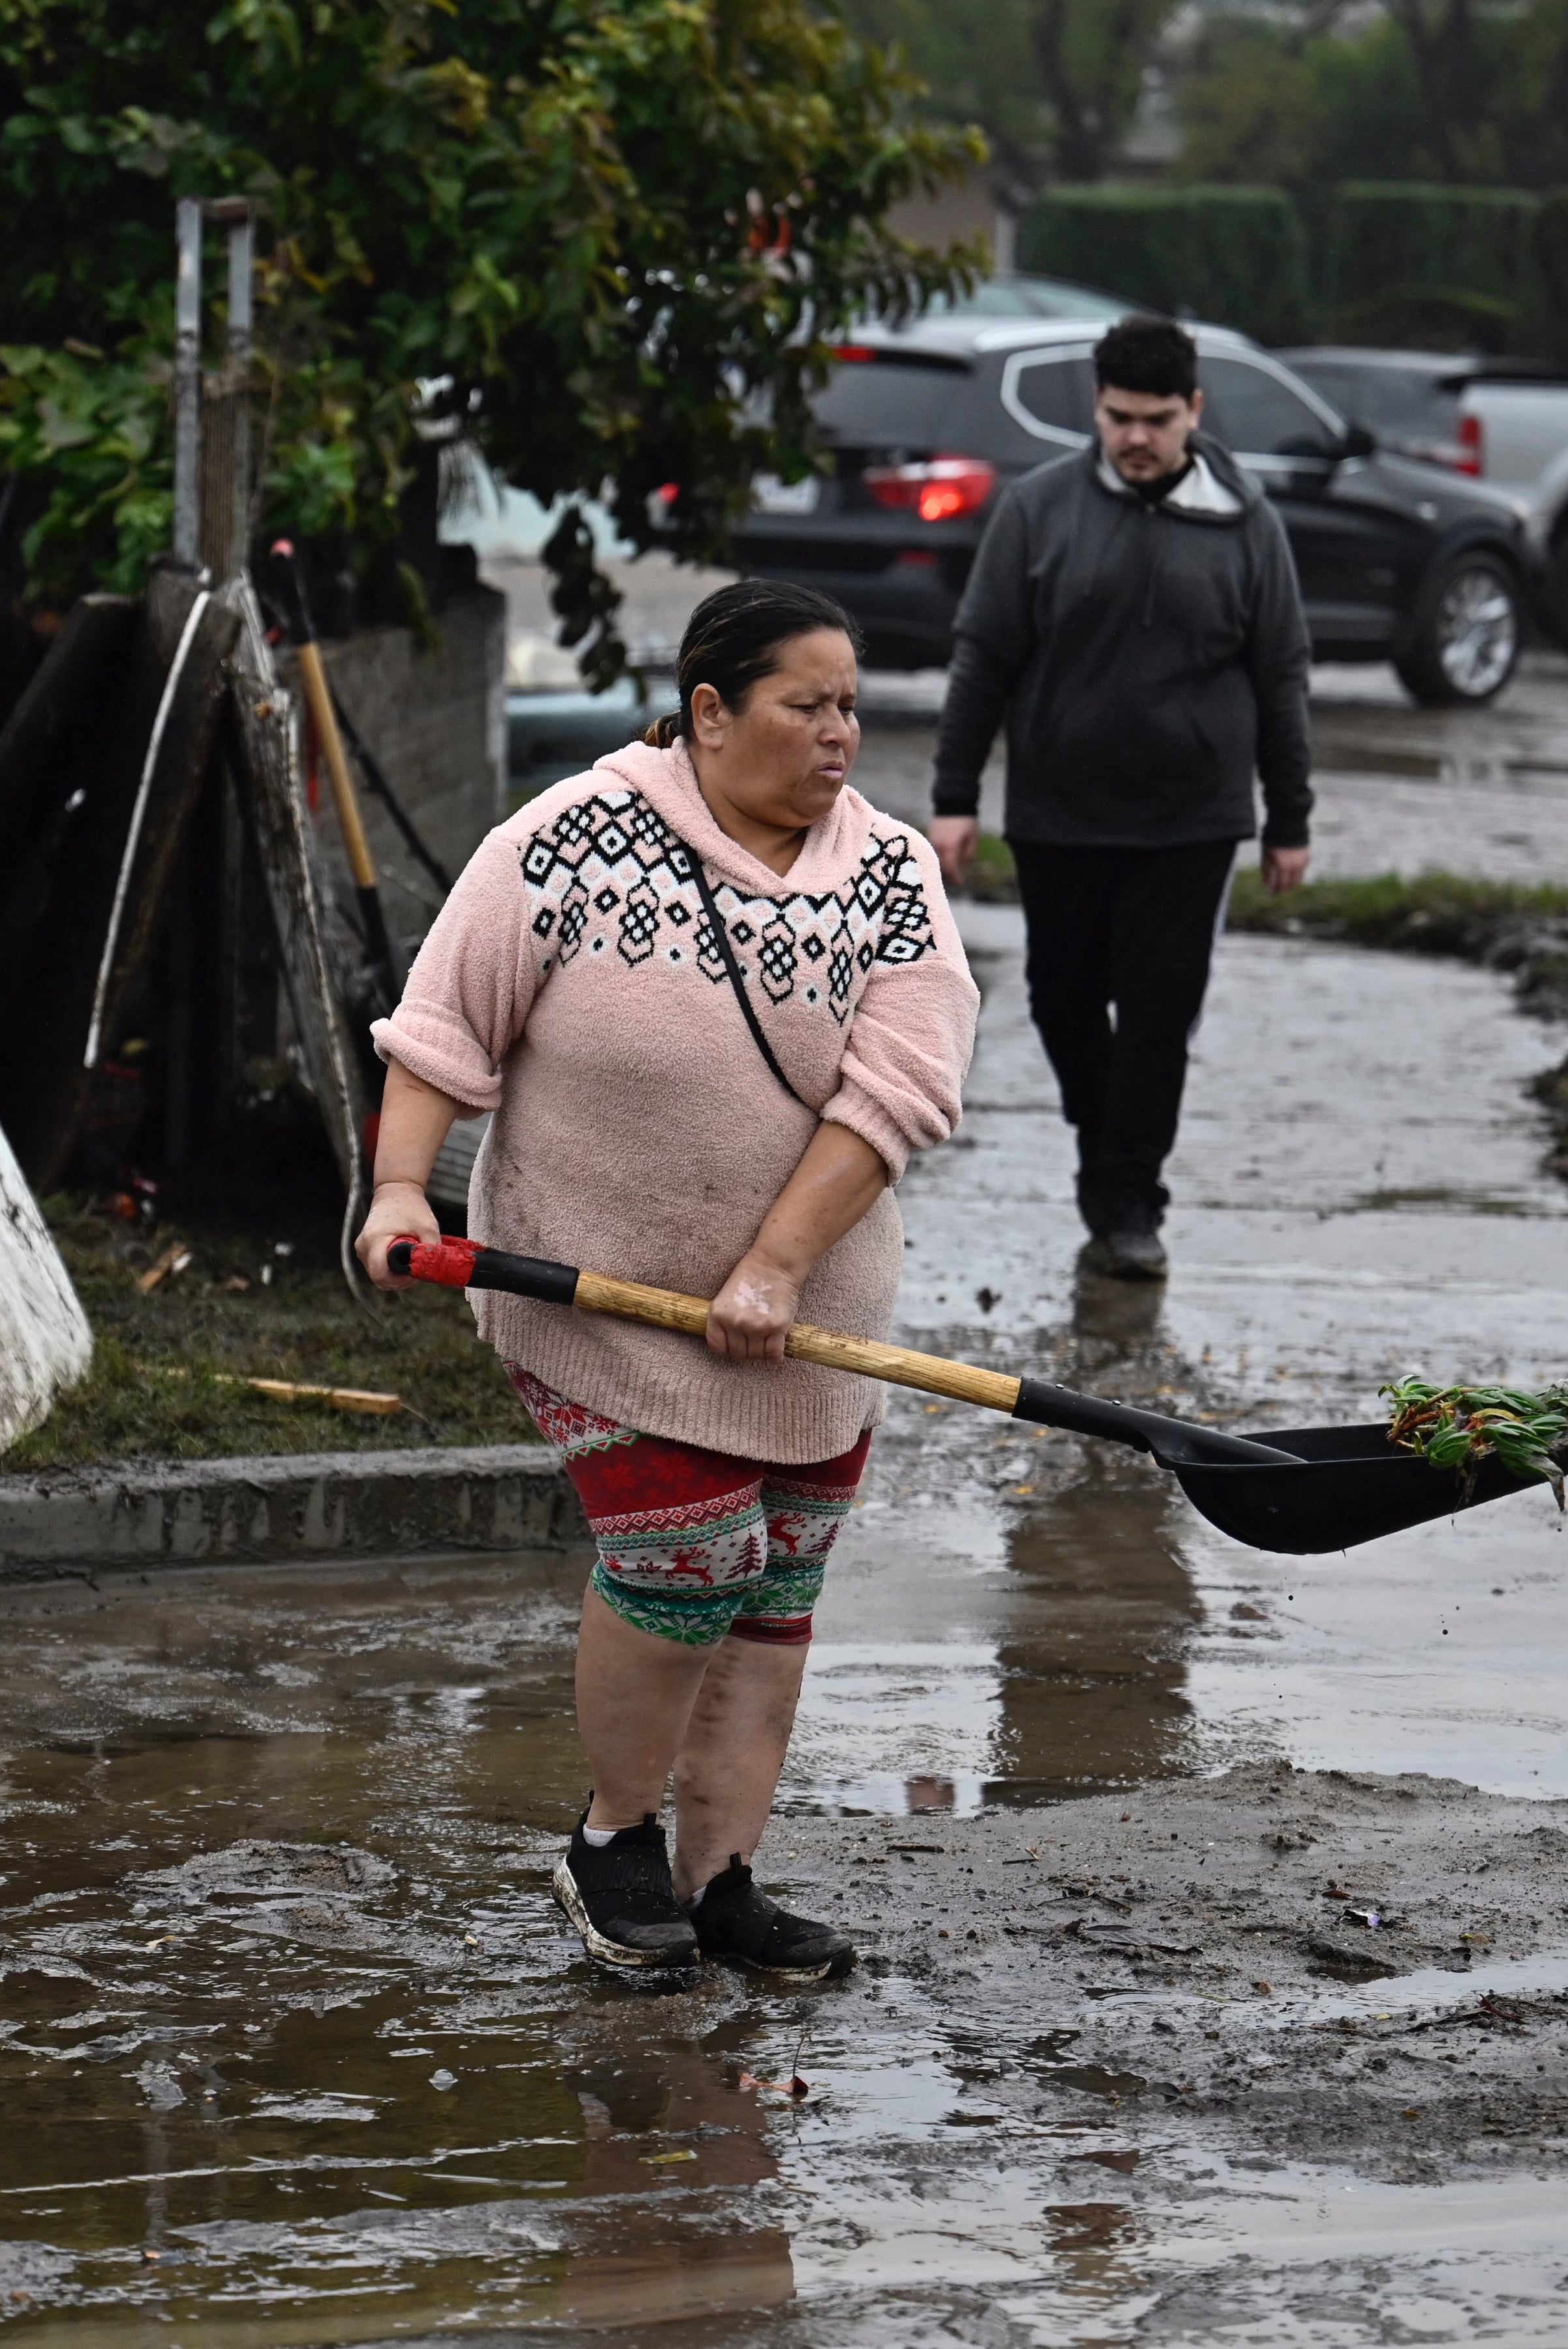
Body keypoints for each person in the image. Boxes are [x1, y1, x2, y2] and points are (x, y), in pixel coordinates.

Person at [360, 580, 978, 1979]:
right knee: (684, 1557)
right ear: (709, 709)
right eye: (802, 705)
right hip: (600, 1300)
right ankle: (611, 1837)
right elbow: (444, 1024)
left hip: (810, 1316)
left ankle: (723, 1880)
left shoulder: (888, 871)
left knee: (773, 1585)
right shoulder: (567, 840)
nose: (837, 735)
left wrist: (772, 1267)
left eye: (849, 707)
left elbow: (898, 1091)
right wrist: (400, 1188)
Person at [926, 314, 1312, 1282]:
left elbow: (1281, 674)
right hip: (1060, 812)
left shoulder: (1245, 521)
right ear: (1095, 409)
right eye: (1116, 418)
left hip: (1192, 819)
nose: (1134, 438)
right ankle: (1108, 1150)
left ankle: (1129, 1201)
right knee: (1061, 1002)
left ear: (1194, 410)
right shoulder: (1037, 509)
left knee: (1154, 1019)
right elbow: (984, 658)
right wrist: (955, 794)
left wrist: (1290, 815)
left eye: (1154, 419)